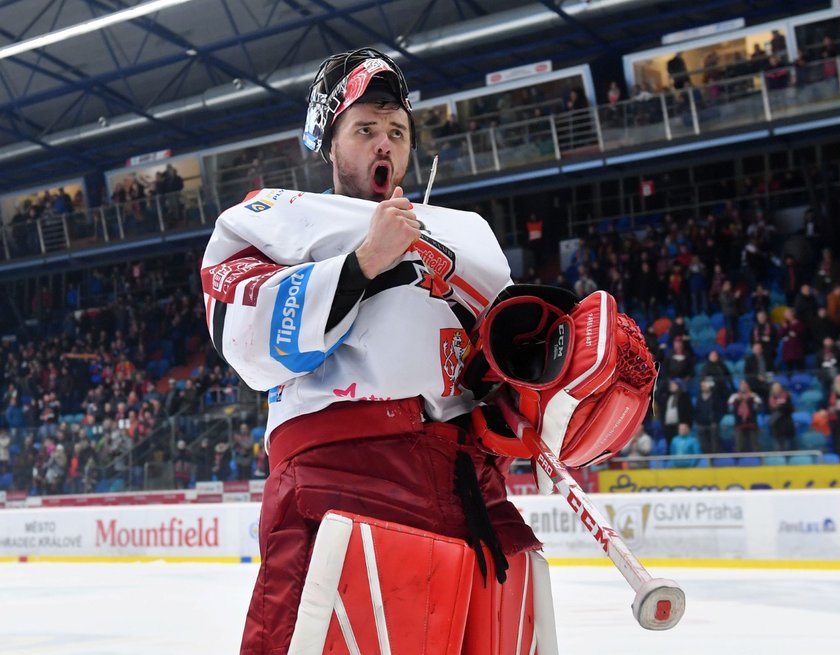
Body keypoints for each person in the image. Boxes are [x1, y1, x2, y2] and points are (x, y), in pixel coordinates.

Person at [201, 49, 588, 653]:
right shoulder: (275, 221)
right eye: (365, 129)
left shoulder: (469, 236)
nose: (384, 144)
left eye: (396, 132)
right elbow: (244, 337)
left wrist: (552, 376)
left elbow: (500, 381)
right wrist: (360, 266)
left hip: (473, 493)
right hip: (344, 482)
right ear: (329, 145)